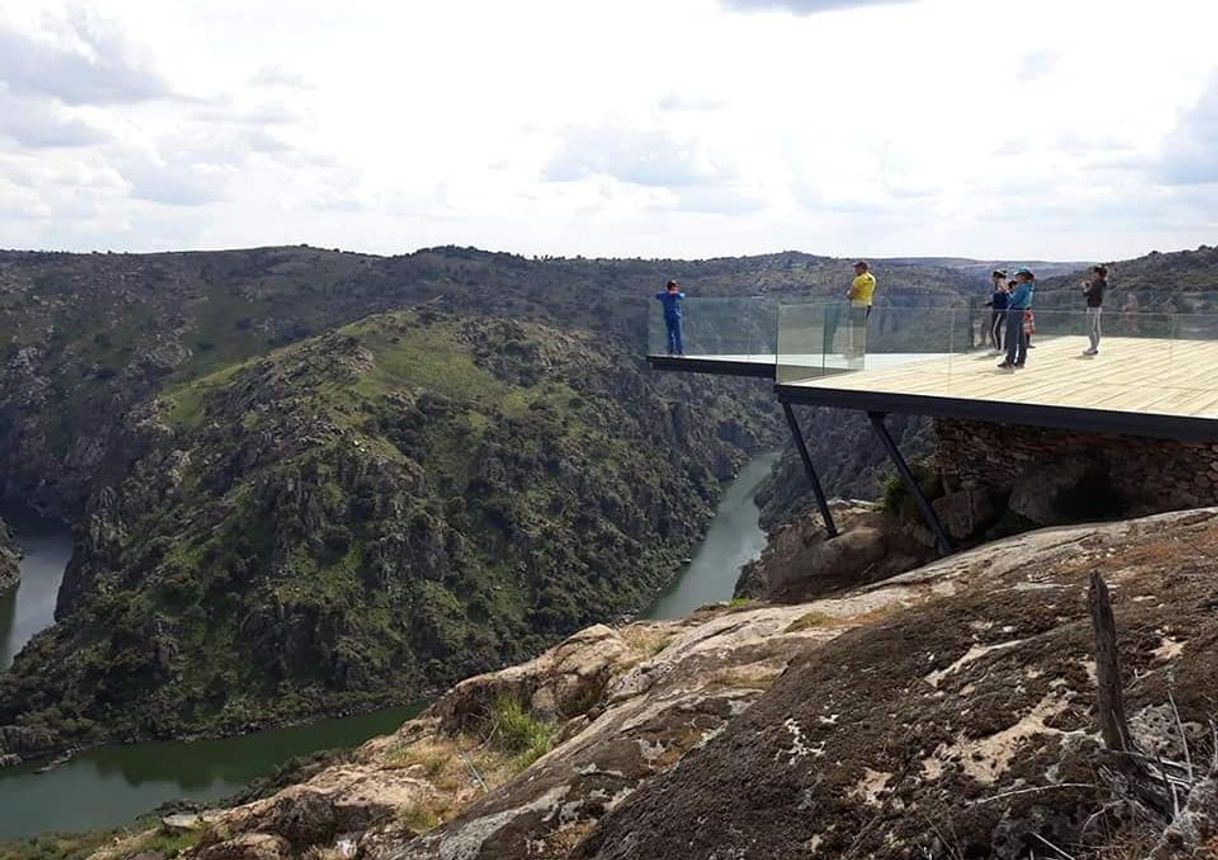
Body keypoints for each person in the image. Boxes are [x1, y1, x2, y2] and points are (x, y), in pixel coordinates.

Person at [999, 268, 1035, 369]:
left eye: (1018, 276)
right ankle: (1020, 360)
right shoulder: (1029, 287)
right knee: (1021, 337)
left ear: (1023, 277)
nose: (1016, 278)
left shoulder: (1022, 288)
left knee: (1012, 337)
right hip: (1021, 312)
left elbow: (1013, 300)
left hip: (1015, 312)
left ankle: (1009, 360)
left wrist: (1006, 291)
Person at [846, 261, 876, 357]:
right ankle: (860, 350)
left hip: (858, 305)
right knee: (861, 329)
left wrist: (848, 294)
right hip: (867, 304)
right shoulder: (872, 278)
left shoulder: (859, 279)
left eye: (857, 268)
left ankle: (855, 351)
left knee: (856, 330)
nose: (855, 270)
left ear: (862, 268)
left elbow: (851, 294)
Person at [655, 279, 685, 356]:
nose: (676, 288)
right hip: (669, 317)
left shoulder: (676, 295)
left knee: (677, 334)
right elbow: (657, 296)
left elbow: (682, 296)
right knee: (670, 334)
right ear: (671, 287)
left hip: (675, 317)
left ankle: (679, 350)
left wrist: (675, 293)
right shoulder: (665, 295)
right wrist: (669, 293)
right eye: (675, 287)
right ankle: (671, 349)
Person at [1082, 264, 1107, 355]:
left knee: (1090, 328)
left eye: (1094, 273)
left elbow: (1087, 294)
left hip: (1092, 306)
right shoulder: (1103, 282)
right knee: (1097, 327)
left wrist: (1085, 287)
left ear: (1097, 273)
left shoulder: (1096, 283)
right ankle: (1095, 346)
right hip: (1098, 306)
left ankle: (1093, 347)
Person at [984, 270, 1009, 353]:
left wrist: (1001, 283)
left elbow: (1005, 294)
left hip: (1000, 311)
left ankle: (998, 349)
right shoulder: (998, 285)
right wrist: (990, 303)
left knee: (994, 330)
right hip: (997, 309)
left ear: (996, 277)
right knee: (996, 329)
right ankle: (1000, 347)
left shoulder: (1000, 284)